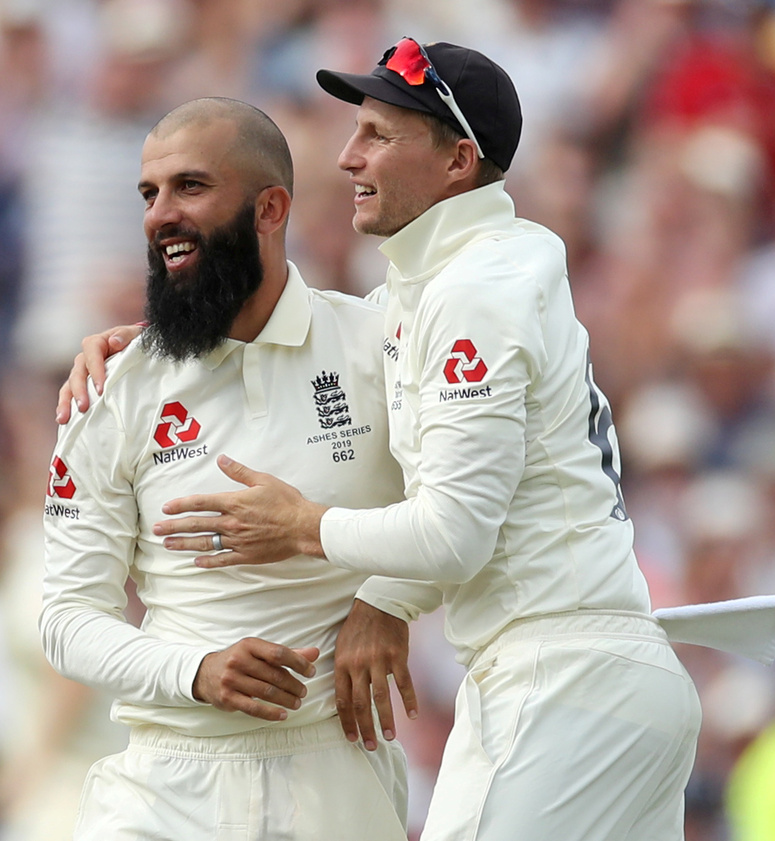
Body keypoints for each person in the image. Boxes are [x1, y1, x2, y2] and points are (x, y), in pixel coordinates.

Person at [142, 41, 704, 841]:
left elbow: (454, 533)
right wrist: (140, 353)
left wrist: (303, 526)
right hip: (606, 681)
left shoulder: (474, 291)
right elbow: (300, 334)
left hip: (561, 685)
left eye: (378, 134)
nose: (348, 155)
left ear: (457, 162)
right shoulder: (449, 279)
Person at [40, 97, 419, 840]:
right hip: (164, 789)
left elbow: (476, 499)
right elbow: (66, 619)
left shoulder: (379, 346)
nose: (159, 215)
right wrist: (195, 669)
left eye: (190, 186)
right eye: (149, 194)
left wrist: (392, 597)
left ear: (269, 208)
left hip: (335, 773)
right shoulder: (112, 387)